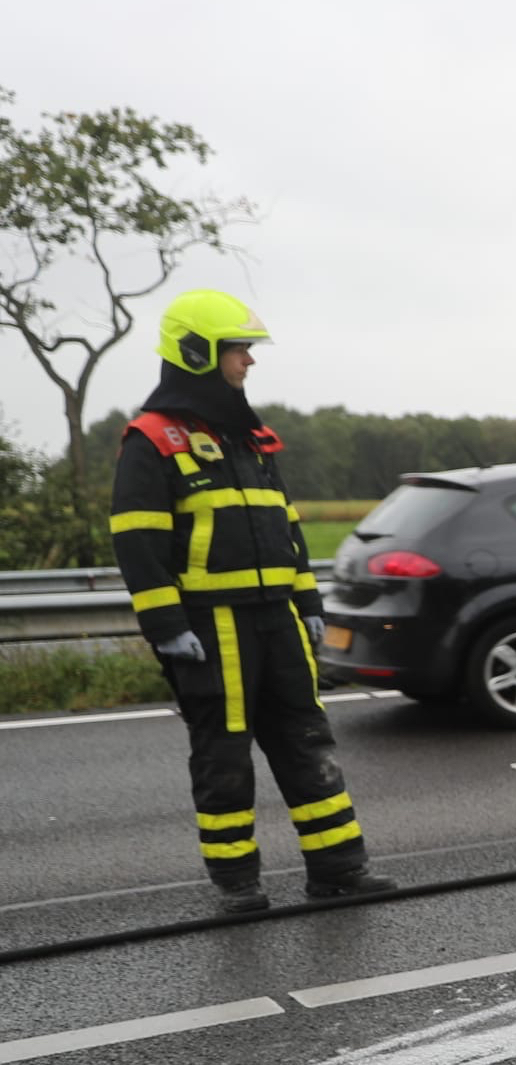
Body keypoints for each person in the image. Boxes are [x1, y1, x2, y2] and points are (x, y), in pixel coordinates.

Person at [109, 289, 395, 913]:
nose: (248, 362)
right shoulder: (152, 439)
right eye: (239, 349)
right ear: (197, 352)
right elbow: (136, 542)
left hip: (278, 622)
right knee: (224, 754)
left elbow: (286, 528)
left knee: (305, 739)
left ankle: (339, 869)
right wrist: (165, 624)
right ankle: (237, 885)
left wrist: (308, 600)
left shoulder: (252, 438)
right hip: (211, 630)